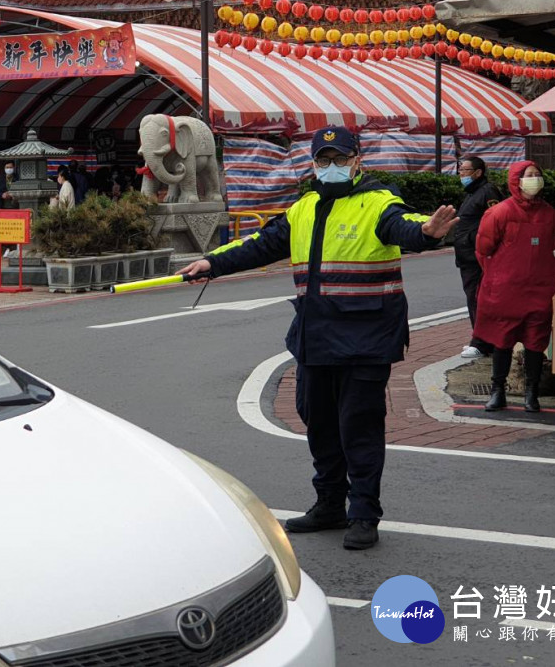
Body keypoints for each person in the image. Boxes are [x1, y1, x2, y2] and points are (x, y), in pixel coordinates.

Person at [178, 126, 458, 551]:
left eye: (340, 159)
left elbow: (405, 226)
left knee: (358, 428)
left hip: (366, 338)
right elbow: (259, 244)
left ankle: (363, 513)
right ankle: (329, 504)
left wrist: (427, 233)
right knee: (318, 423)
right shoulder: (303, 208)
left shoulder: (378, 203)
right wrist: (210, 263)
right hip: (315, 337)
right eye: (323, 160)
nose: (331, 167)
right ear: (312, 165)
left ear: (357, 160)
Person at [475, 161, 555, 414]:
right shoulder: (499, 213)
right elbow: (483, 250)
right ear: (516, 181)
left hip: (540, 286)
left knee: (536, 342)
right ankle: (498, 390)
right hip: (506, 289)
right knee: (503, 339)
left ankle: (531, 393)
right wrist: (498, 276)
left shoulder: (549, 214)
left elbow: (550, 245)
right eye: (529, 175)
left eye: (537, 175)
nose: (534, 179)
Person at [454, 156, 501, 359]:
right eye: (460, 170)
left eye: (464, 170)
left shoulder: (487, 192)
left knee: (478, 298)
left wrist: (478, 243)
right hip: (467, 256)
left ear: (478, 172)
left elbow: (497, 222)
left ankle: (481, 343)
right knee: (473, 297)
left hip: (479, 257)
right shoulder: (472, 193)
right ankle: (481, 339)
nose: (461, 174)